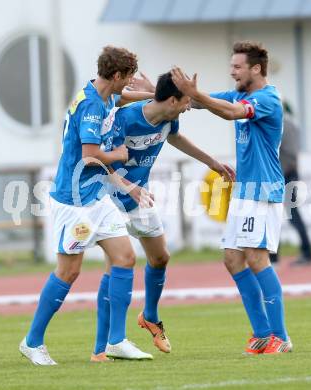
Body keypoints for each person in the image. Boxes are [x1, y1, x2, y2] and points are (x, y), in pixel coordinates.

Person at [19, 45, 154, 365]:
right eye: (128, 78)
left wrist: (147, 94)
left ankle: (116, 340)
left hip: (95, 196)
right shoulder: (91, 107)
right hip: (74, 202)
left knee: (124, 258)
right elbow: (89, 155)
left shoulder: (100, 93)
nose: (129, 85)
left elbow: (120, 98)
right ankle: (32, 342)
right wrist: (121, 156)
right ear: (117, 75)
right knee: (69, 271)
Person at [94, 71, 233, 355]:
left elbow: (176, 138)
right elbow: (100, 159)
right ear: (172, 100)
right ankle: (107, 344)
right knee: (117, 264)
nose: (188, 107)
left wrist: (212, 163)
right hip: (110, 198)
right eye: (185, 102)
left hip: (139, 198)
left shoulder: (170, 118)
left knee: (160, 257)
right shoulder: (124, 118)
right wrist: (128, 186)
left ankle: (150, 317)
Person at [171, 41, 292, 354]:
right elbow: (203, 103)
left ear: (256, 68)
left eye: (237, 66)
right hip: (244, 192)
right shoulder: (240, 93)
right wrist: (157, 92)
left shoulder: (267, 98)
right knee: (232, 258)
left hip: (263, 190)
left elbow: (230, 113)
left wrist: (196, 95)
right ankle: (262, 333)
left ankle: (280, 336)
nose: (232, 71)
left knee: (256, 257)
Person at [269, 102, 311, 266]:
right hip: (288, 173)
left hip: (283, 175)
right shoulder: (292, 125)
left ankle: (274, 258)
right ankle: (306, 252)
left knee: (280, 215)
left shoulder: (281, 126)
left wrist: (275, 176)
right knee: (291, 214)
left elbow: (287, 155)